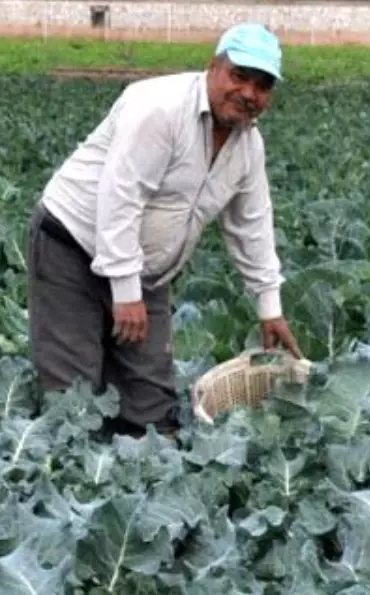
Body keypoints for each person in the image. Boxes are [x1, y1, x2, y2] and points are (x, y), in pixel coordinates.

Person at [25, 22, 302, 440]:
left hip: (147, 271)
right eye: (239, 76)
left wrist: (270, 308)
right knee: (74, 404)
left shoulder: (247, 145)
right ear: (213, 68)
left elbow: (252, 225)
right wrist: (125, 291)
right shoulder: (160, 108)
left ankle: (139, 487)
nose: (249, 93)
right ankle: (73, 485)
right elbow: (121, 196)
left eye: (262, 86)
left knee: (154, 410)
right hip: (72, 247)